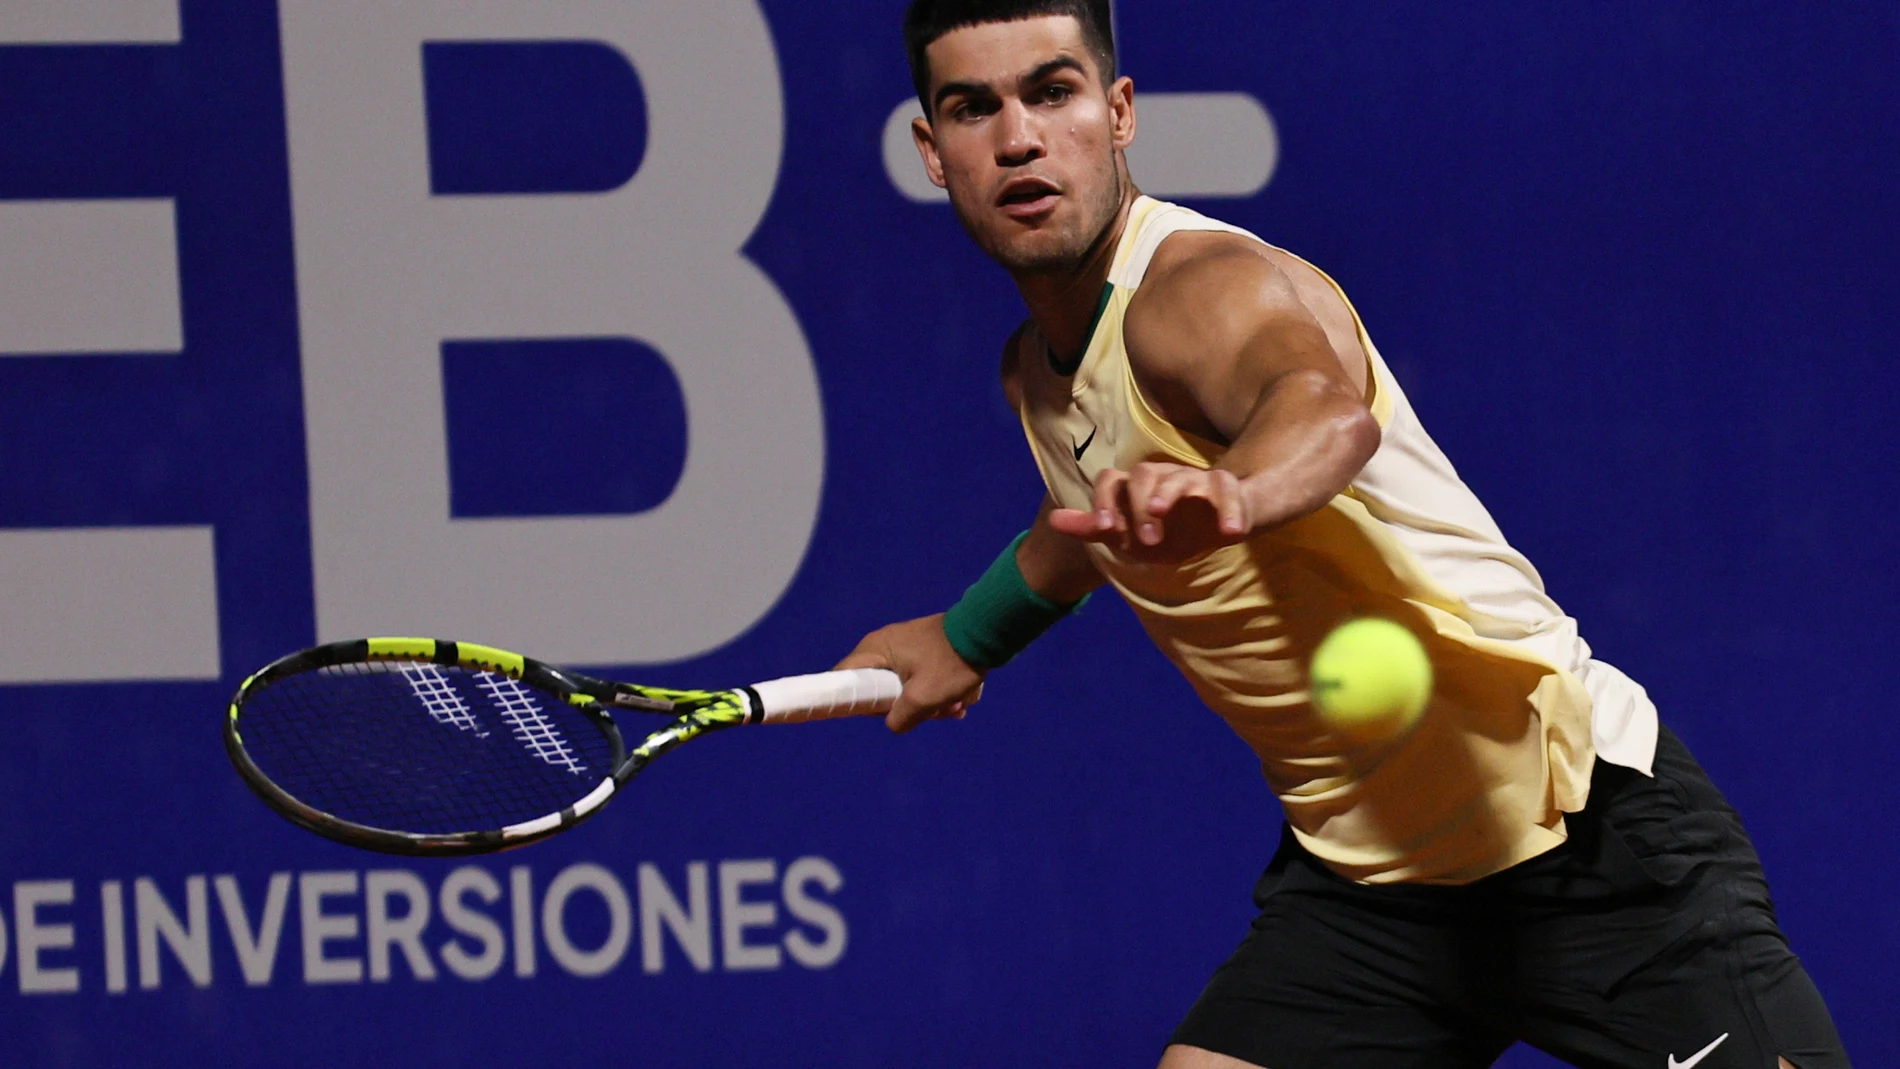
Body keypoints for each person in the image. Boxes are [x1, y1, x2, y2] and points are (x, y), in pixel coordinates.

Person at [838, 2, 1850, 1067]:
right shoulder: (1033, 372)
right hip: (1375, 887)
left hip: (1580, 829)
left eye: (1052, 92)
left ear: (1118, 111)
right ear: (932, 151)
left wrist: (1229, 494)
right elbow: (1085, 522)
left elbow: (1321, 411)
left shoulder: (1200, 289)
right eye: (972, 107)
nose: (1018, 139)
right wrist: (966, 635)